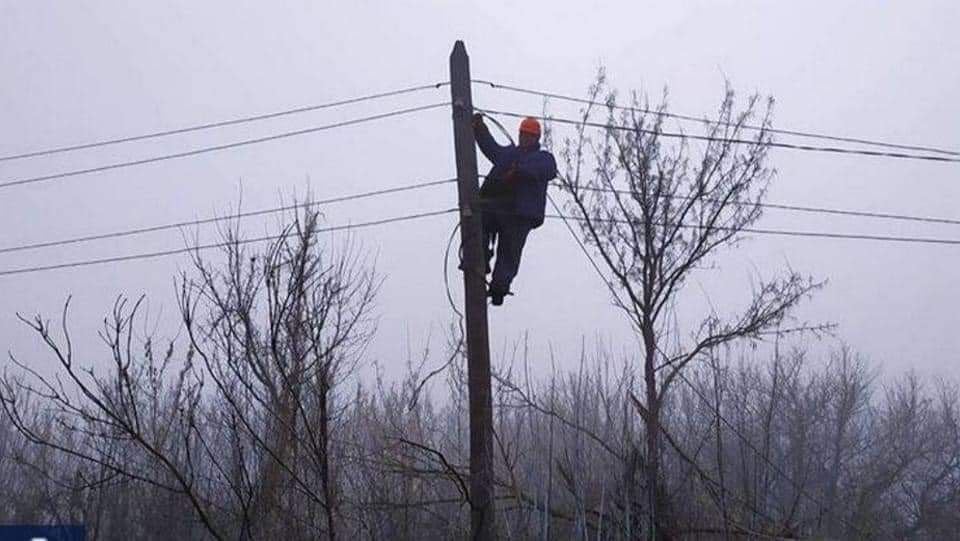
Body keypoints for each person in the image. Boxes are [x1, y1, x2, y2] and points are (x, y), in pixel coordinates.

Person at [472, 113, 557, 306]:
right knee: (480, 220)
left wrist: (519, 171)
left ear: (536, 138)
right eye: (522, 134)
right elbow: (492, 149)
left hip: (521, 213)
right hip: (499, 206)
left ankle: (499, 288)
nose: (524, 138)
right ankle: (480, 258)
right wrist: (480, 129)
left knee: (508, 253)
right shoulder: (511, 154)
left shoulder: (543, 158)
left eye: (528, 135)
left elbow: (548, 170)